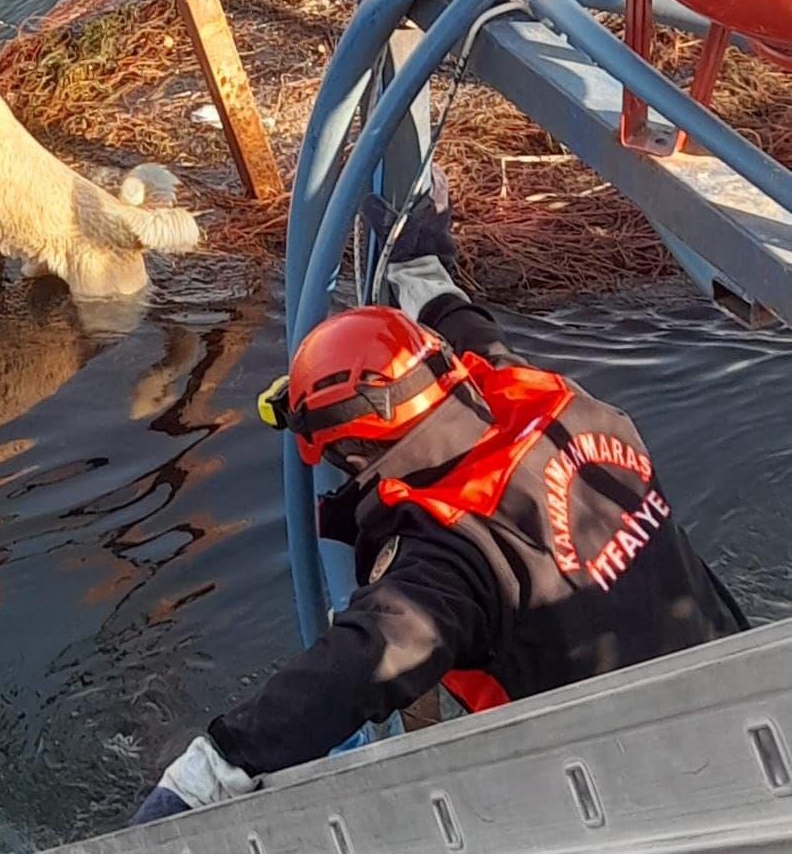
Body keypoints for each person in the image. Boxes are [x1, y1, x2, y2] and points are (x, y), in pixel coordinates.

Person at [132, 181, 747, 825]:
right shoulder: (547, 400)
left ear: (352, 455)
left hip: (642, 784)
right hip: (746, 683)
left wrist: (211, 770)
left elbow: (357, 666)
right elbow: (474, 337)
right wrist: (424, 272)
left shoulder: (454, 550)